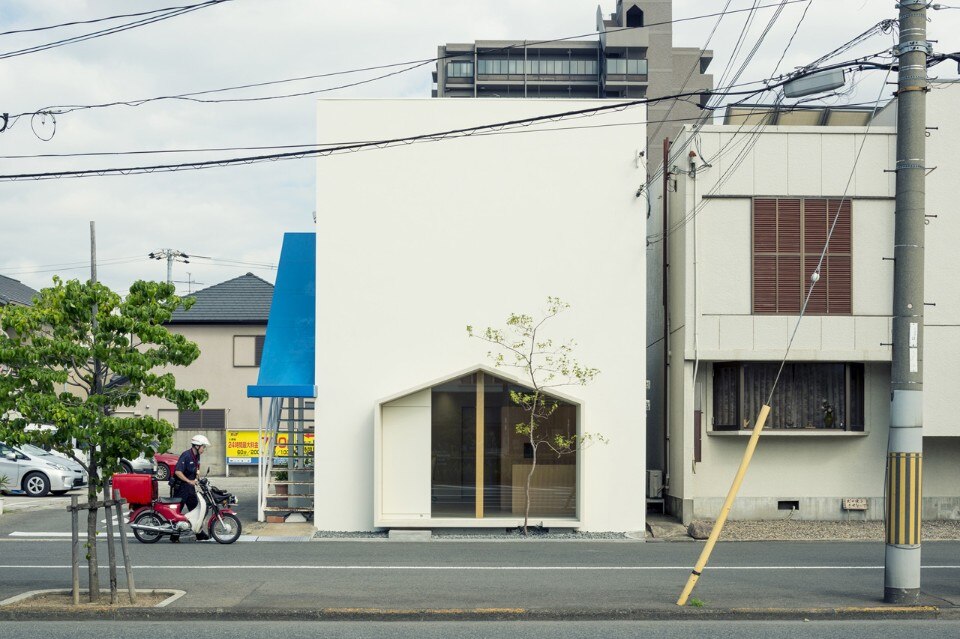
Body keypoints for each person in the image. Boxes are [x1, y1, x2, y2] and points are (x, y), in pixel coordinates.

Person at [169, 434, 209, 542]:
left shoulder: (197, 456)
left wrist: (198, 479)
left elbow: (196, 470)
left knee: (197, 510)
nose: (204, 449)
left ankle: (199, 533)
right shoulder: (186, 455)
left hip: (190, 489)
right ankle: (174, 536)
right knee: (177, 512)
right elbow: (178, 471)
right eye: (203, 447)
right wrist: (188, 481)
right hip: (181, 489)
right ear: (197, 446)